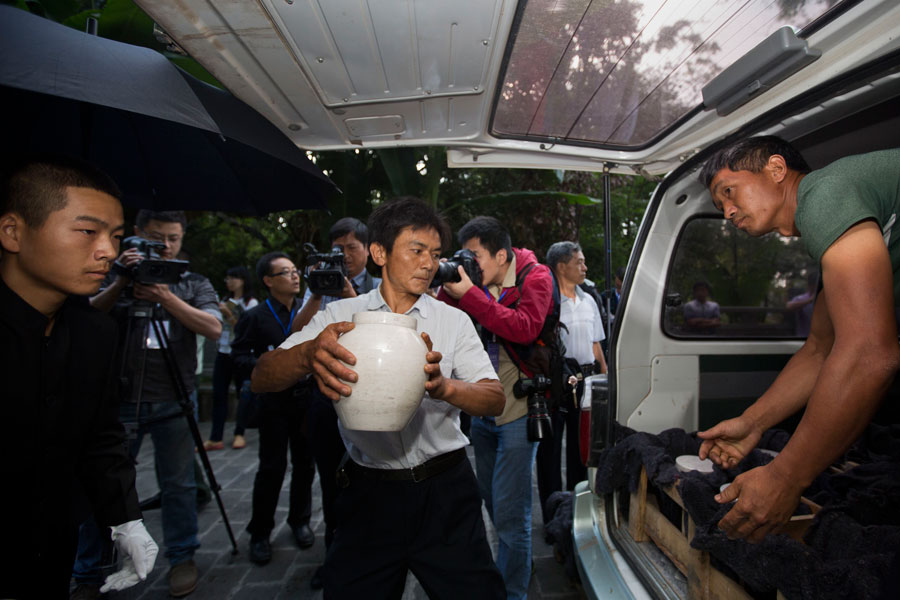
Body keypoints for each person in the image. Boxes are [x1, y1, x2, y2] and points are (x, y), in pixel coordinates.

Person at [251, 197, 506, 599]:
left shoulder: (452, 320)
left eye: (435, 254)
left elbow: (494, 399)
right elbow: (262, 376)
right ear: (379, 252)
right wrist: (307, 353)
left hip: (445, 494)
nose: (428, 264)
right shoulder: (339, 319)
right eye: (417, 250)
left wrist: (445, 387)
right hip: (368, 495)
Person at [696, 136, 900, 543]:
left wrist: (785, 477)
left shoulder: (823, 193)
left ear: (775, 169)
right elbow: (821, 348)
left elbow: (868, 355)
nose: (728, 213)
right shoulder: (839, 224)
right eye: (720, 207)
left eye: (729, 193)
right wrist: (751, 423)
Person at [0, 155, 157, 599]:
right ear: (13, 232)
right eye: (88, 231)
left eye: (115, 236)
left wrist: (125, 517)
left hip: (52, 546)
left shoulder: (96, 331)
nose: (107, 250)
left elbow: (101, 433)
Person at [73, 210, 221, 598]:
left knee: (179, 484)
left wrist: (165, 296)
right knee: (102, 485)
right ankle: (88, 571)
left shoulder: (191, 282)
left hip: (175, 395)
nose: (166, 247)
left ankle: (182, 556)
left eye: (172, 239)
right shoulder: (111, 275)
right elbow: (80, 319)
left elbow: (213, 326)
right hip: (117, 400)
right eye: (157, 238)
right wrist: (122, 279)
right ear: (137, 236)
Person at [438, 215, 554, 599]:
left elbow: (525, 328)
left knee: (510, 513)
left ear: (501, 255)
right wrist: (447, 285)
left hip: (519, 411)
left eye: (475, 257)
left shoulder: (536, 277)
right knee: (491, 499)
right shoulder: (477, 281)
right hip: (483, 411)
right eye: (464, 256)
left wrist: (470, 294)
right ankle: (517, 562)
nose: (469, 265)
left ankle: (512, 593)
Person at [291, 217, 381, 590]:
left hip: (368, 394)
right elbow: (295, 336)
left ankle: (375, 553)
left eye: (350, 248)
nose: (343, 256)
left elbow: (377, 330)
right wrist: (316, 293)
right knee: (330, 481)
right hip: (324, 398)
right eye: (337, 250)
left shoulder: (378, 287)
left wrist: (348, 294)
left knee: (373, 478)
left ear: (367, 249)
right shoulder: (317, 290)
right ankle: (333, 556)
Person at [232, 252, 316, 565]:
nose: (295, 276)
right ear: (268, 281)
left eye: (296, 271)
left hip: (304, 400)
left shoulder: (309, 310)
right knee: (272, 467)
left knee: (305, 465)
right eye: (285, 272)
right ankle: (260, 532)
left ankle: (300, 520)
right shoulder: (255, 317)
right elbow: (238, 359)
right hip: (272, 404)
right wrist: (270, 366)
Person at [536, 241, 607, 526]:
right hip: (557, 382)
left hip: (587, 381)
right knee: (550, 451)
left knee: (582, 449)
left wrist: (605, 374)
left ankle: (576, 512)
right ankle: (553, 517)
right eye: (579, 261)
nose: (585, 267)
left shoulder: (589, 299)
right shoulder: (548, 302)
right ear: (561, 265)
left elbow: (596, 344)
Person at [204, 266, 258, 451]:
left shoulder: (251, 303)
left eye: (233, 278)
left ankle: (239, 433)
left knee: (242, 394)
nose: (229, 282)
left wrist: (229, 314)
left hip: (241, 355)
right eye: (227, 278)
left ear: (242, 280)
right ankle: (215, 437)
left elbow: (245, 331)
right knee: (219, 394)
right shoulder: (223, 300)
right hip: (223, 351)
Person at [786, 270, 818, 337]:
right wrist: (810, 300)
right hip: (804, 339)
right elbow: (789, 306)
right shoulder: (802, 298)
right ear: (810, 285)